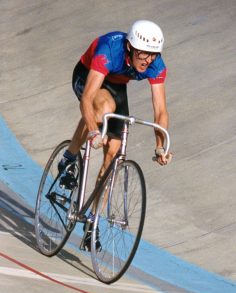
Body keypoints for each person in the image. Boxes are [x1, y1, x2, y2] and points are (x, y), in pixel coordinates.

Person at [59, 20, 172, 250]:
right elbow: (87, 99)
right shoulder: (109, 50)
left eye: (152, 55)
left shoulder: (156, 64)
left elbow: (160, 111)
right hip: (88, 75)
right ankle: (69, 158)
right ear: (130, 47)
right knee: (102, 109)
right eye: (143, 53)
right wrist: (92, 131)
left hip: (116, 85)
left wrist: (160, 146)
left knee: (114, 153)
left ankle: (92, 223)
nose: (147, 60)